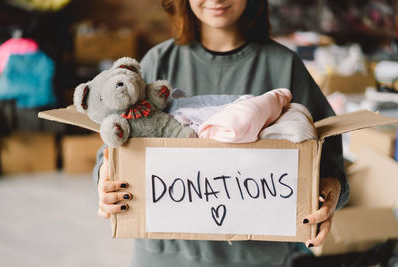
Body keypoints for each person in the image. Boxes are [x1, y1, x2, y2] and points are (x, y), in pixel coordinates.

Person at [93, 0, 349, 266]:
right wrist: (105, 179)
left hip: (257, 257)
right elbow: (113, 145)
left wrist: (331, 192)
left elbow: (331, 165)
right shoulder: (158, 62)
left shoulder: (285, 65)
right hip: (166, 256)